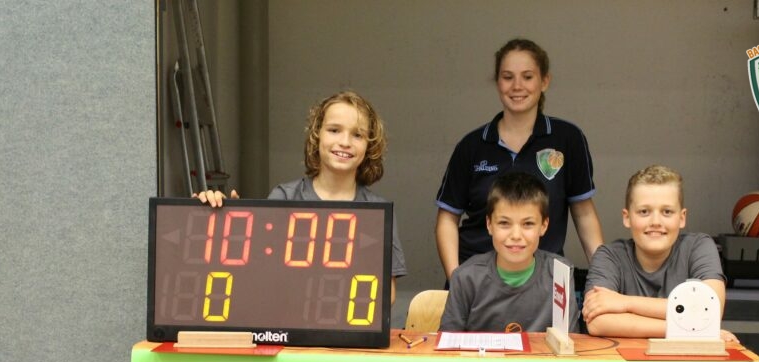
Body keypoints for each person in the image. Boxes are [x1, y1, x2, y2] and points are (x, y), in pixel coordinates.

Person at [196, 91, 407, 303]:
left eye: (357, 135)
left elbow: (386, 295)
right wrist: (227, 221)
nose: (345, 142)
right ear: (317, 135)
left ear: (370, 145)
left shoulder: (378, 212)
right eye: (334, 130)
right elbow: (258, 273)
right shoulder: (284, 198)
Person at [434, 38, 603, 282]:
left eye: (527, 76)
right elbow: (447, 218)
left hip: (546, 279)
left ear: (544, 81)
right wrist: (456, 279)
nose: (517, 86)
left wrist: (602, 279)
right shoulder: (472, 145)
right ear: (497, 82)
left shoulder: (568, 138)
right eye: (507, 77)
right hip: (477, 280)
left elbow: (584, 214)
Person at [582, 164, 737, 343]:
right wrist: (690, 330)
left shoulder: (699, 247)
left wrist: (625, 302)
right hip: (625, 361)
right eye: (644, 212)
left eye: (667, 212)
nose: (656, 221)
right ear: (627, 217)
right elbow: (597, 322)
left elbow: (710, 309)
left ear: (682, 218)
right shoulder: (609, 256)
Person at [440, 172, 578, 333]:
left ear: (544, 226)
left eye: (528, 224)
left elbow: (570, 342)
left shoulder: (559, 275)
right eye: (504, 223)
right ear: (489, 224)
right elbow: (447, 344)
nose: (516, 236)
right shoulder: (465, 277)